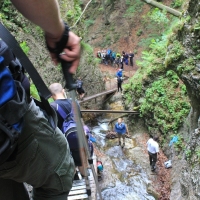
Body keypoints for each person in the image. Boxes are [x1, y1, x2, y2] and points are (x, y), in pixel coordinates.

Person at [0, 0, 81, 199]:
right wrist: (58, 31)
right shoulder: (70, 105)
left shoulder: (57, 105)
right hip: (6, 121)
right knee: (59, 174)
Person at [49, 83, 87, 178]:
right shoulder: (74, 102)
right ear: (63, 91)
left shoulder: (51, 107)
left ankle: (74, 178)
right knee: (81, 161)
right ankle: (85, 177)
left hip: (63, 142)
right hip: (78, 137)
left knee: (69, 164)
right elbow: (81, 121)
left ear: (51, 95)